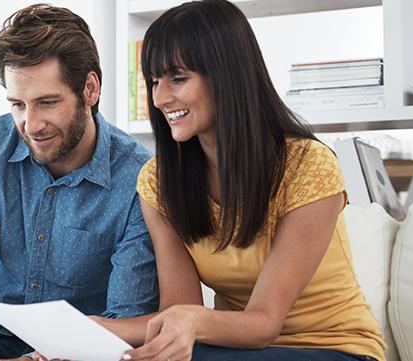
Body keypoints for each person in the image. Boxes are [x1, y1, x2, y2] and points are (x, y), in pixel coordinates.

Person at [88, 1, 386, 361]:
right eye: (154, 81)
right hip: (235, 349)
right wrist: (93, 330)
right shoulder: (158, 181)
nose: (161, 98)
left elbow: (263, 324)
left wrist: (189, 325)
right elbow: (178, 313)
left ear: (227, 75)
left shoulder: (309, 166)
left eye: (178, 78)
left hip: (333, 347)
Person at [0, 4, 159, 361]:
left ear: (89, 89)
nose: (31, 123)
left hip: (77, 353)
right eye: (18, 105)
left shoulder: (138, 177)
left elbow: (125, 318)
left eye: (47, 102)